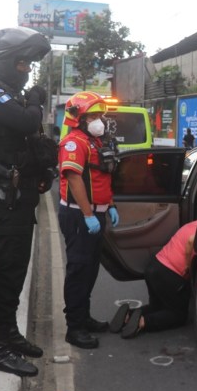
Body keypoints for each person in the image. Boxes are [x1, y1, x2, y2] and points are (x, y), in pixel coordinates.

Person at [0, 27, 53, 377]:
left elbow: (24, 138)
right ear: (3, 63)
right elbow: (26, 121)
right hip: (6, 196)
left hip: (19, 194)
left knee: (16, 268)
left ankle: (10, 336)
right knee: (7, 270)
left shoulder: (6, 93)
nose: (27, 70)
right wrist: (35, 100)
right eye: (22, 64)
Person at [58, 91, 120, 349]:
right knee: (79, 270)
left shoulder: (95, 142)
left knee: (91, 269)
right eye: (93, 115)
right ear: (79, 118)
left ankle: (84, 317)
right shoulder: (74, 143)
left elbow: (101, 179)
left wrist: (111, 206)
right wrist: (87, 215)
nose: (100, 120)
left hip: (97, 212)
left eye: (101, 115)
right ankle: (74, 327)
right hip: (79, 214)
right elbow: (74, 180)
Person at [109, 220, 197, 339]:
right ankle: (143, 322)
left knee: (157, 306)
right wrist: (187, 266)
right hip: (170, 273)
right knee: (178, 315)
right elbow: (191, 241)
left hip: (154, 267)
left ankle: (128, 315)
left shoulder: (192, 224)